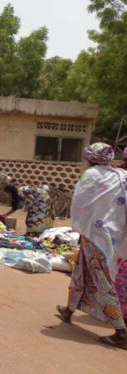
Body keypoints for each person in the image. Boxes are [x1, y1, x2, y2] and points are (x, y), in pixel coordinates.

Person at [56, 143, 127, 347]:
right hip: (116, 234)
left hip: (96, 234)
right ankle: (68, 310)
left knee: (102, 279)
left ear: (90, 158)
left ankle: (121, 332)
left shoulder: (91, 175)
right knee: (81, 271)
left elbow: (80, 204)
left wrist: (81, 228)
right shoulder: (120, 175)